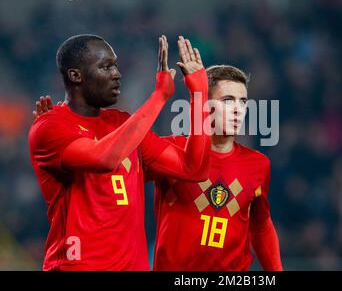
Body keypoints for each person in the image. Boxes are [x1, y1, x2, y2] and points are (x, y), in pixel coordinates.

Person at [35, 64, 282, 271]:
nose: (238, 109)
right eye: (228, 100)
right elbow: (103, 177)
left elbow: (261, 225)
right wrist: (64, 129)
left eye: (243, 101)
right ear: (203, 104)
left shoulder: (258, 165)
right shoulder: (168, 152)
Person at [28, 34, 210, 270]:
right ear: (75, 76)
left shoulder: (123, 124)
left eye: (115, 65)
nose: (117, 73)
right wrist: (159, 97)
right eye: (105, 67)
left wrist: (199, 94)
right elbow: (104, 158)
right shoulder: (50, 127)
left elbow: (193, 168)